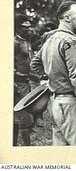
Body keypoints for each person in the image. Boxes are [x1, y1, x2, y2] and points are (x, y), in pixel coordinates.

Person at [30, 0, 76, 146]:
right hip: (73, 105)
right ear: (67, 18)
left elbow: (35, 64)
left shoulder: (51, 39)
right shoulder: (71, 41)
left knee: (63, 154)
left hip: (56, 103)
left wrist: (53, 76)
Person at [14, 14, 34, 146]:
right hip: (18, 82)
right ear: (18, 28)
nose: (28, 30)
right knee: (24, 116)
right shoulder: (14, 43)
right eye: (24, 27)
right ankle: (26, 147)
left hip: (27, 81)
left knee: (22, 115)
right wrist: (13, 82)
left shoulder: (27, 41)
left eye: (29, 27)